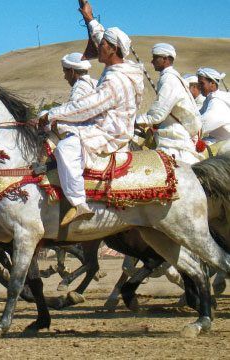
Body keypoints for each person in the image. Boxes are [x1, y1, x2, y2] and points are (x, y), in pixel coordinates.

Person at [36, 1, 144, 226]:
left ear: (112, 49)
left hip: (111, 131)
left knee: (66, 148)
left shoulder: (116, 80)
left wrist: (51, 114)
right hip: (104, 123)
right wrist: (89, 17)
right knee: (60, 131)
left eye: (102, 44)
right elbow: (99, 36)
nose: (97, 47)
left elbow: (84, 107)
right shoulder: (117, 65)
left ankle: (78, 203)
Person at [135, 43, 203, 164]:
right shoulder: (170, 78)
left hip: (173, 142)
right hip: (171, 135)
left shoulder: (169, 80)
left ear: (165, 59)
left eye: (156, 57)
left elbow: (157, 114)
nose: (152, 61)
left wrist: (135, 121)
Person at [197, 67, 230, 144]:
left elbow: (203, 124)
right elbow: (197, 116)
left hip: (225, 143)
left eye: (201, 83)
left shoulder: (217, 101)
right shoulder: (208, 99)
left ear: (212, 83)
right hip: (217, 140)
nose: (199, 87)